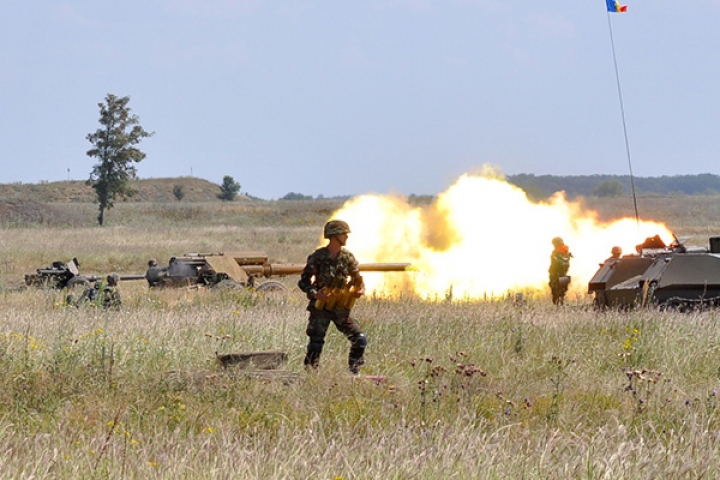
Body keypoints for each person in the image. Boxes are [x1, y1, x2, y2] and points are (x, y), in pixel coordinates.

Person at [298, 220, 367, 374]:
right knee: (316, 342)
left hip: (340, 307)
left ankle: (354, 372)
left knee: (360, 339)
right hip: (320, 308)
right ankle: (310, 373)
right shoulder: (317, 257)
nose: (347, 237)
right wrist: (314, 294)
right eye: (344, 234)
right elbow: (303, 281)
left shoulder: (347, 257)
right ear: (334, 235)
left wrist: (360, 290)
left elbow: (357, 279)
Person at [548, 236, 572, 306]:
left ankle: (559, 305)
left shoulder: (557, 253)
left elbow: (560, 263)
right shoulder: (565, 253)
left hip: (557, 275)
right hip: (562, 275)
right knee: (561, 292)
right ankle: (560, 304)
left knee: (557, 292)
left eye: (555, 244)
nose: (554, 246)